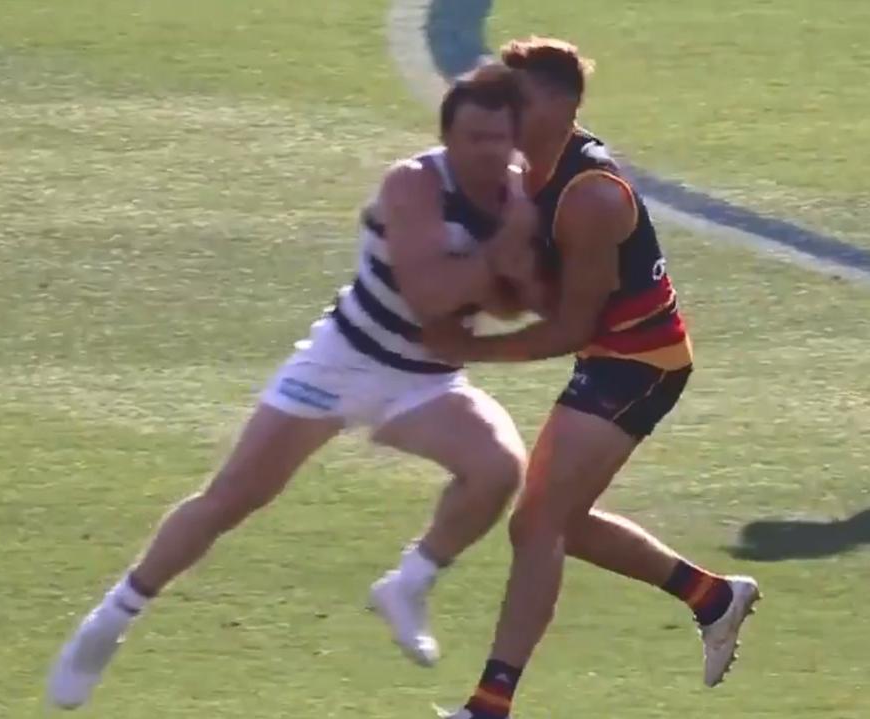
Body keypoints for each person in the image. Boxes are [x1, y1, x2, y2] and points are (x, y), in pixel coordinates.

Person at [46, 66, 542, 710]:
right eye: (473, 137)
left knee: (499, 468)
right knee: (233, 496)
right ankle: (113, 617)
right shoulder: (414, 183)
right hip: (340, 362)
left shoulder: (521, 195)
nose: (487, 151)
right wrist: (507, 251)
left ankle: (409, 582)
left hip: (425, 378)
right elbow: (432, 295)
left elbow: (516, 304)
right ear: (447, 138)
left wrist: (506, 268)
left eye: (498, 138)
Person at [424, 39, 761, 719]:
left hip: (639, 361)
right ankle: (713, 597)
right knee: (559, 523)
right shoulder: (522, 170)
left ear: (560, 105)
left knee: (537, 524)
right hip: (606, 351)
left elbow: (573, 326)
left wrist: (467, 349)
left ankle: (490, 706)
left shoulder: (592, 197)